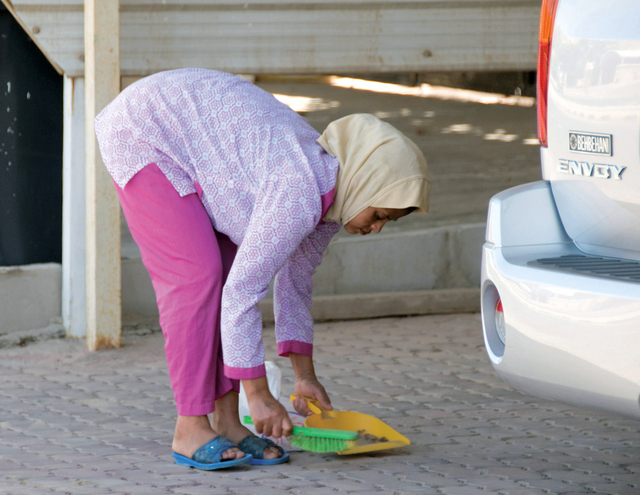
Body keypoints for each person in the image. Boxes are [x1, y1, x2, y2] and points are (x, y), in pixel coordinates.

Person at [95, 69, 430, 470]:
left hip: (189, 136)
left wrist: (304, 377)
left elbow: (294, 285)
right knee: (196, 278)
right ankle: (189, 427)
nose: (376, 228)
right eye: (379, 214)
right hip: (143, 129)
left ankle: (226, 421)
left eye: (386, 221)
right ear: (364, 183)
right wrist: (258, 395)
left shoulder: (329, 203)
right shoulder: (299, 192)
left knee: (225, 270)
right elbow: (242, 294)